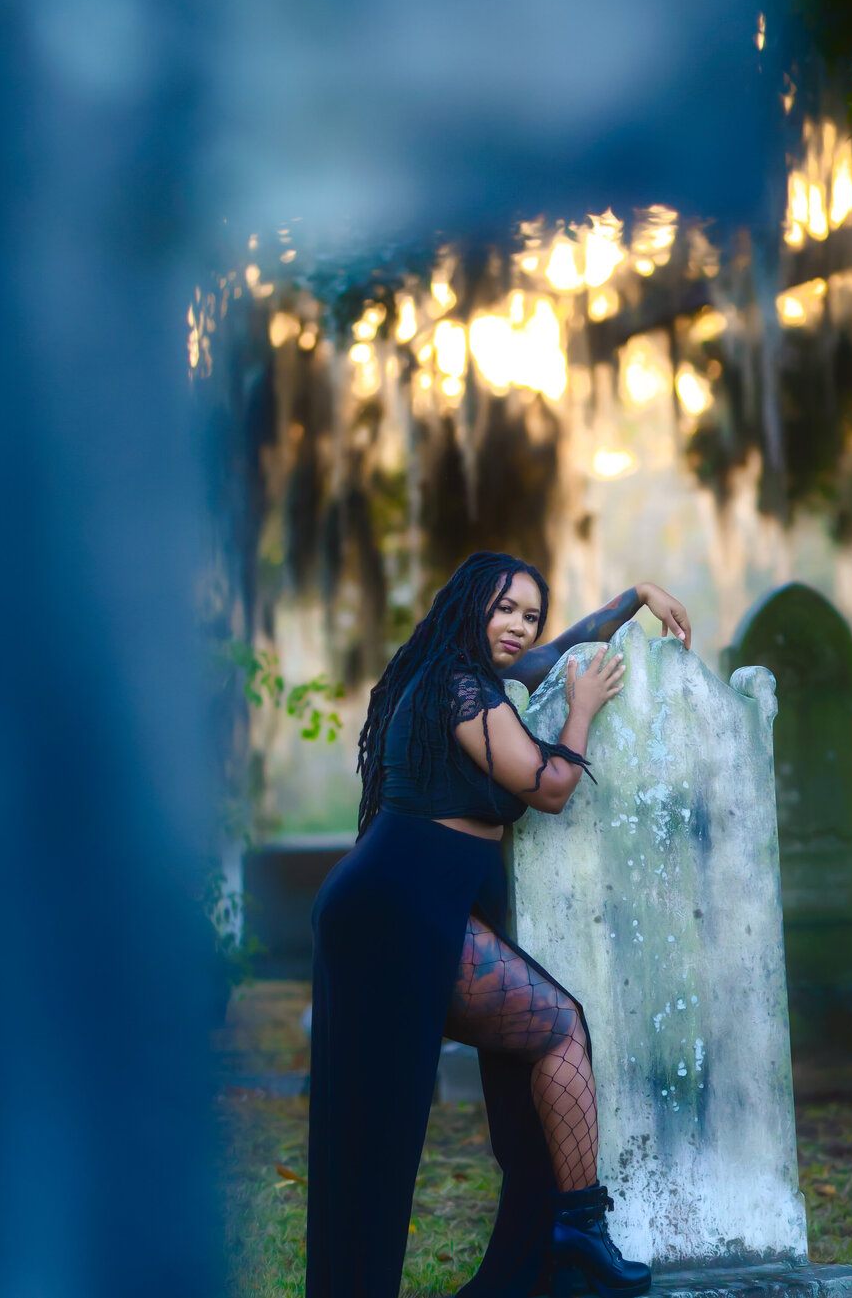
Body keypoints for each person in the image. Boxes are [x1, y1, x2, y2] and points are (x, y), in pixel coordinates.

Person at [306, 551, 691, 1298]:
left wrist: (635, 596)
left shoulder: (471, 677)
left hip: (409, 900)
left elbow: (553, 654)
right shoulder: (456, 684)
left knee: (535, 1038)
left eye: (529, 613)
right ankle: (576, 1235)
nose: (519, 626)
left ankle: (559, 1239)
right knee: (546, 1031)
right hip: (395, 905)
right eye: (505, 608)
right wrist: (583, 708)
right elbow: (546, 785)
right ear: (468, 607)